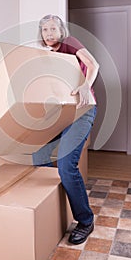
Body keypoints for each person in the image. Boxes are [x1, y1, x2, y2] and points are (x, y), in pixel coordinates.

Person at [32, 14, 99, 245]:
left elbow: (93, 64)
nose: (49, 33)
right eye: (44, 30)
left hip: (82, 110)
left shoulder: (70, 44)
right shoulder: (45, 54)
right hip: (59, 112)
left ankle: (85, 220)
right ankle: (53, 209)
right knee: (39, 156)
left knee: (66, 165)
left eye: (52, 29)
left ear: (61, 31)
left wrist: (84, 86)